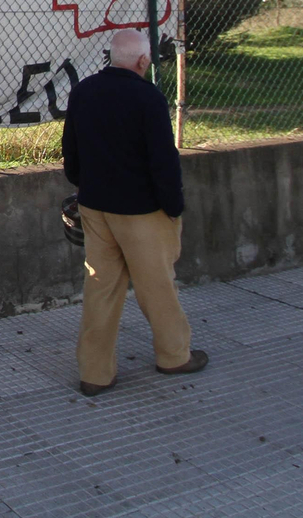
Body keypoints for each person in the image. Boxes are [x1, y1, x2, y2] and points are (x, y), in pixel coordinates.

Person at [62, 28, 208, 395]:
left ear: (112, 57)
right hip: (142, 211)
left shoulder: (84, 91)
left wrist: (82, 186)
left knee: (100, 287)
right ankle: (174, 356)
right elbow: (164, 162)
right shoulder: (149, 99)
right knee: (156, 286)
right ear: (143, 61)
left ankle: (95, 374)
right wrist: (173, 208)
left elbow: (71, 150)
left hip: (95, 207)